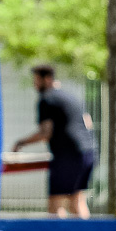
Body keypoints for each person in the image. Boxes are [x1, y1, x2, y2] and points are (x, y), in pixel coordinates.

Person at [12, 65, 97, 218]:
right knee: (77, 202)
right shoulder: (71, 97)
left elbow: (46, 133)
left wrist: (21, 142)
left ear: (47, 79)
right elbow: (88, 122)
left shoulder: (47, 99)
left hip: (68, 155)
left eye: (37, 80)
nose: (34, 85)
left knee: (55, 205)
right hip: (88, 152)